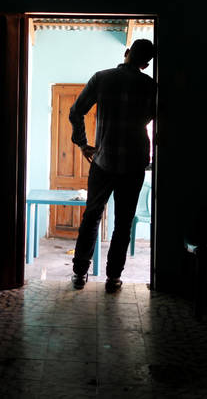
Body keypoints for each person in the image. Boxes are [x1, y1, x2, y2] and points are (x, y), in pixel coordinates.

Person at [68, 37, 156, 293]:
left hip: (103, 161)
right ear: (146, 64)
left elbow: (75, 112)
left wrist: (83, 143)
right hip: (134, 163)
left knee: (92, 217)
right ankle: (113, 278)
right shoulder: (150, 86)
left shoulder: (102, 78)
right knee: (123, 223)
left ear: (127, 53)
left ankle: (79, 273)